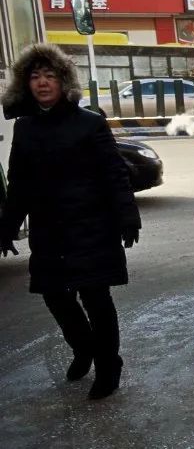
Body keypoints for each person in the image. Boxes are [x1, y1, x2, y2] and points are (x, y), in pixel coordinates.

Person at [0, 43, 139, 400]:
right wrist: (7, 226)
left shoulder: (90, 123)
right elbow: (19, 183)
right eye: (35, 76)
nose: (42, 83)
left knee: (96, 297)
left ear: (63, 81)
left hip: (92, 225)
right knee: (53, 294)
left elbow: (114, 174)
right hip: (49, 229)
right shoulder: (26, 128)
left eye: (50, 76)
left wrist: (127, 216)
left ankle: (109, 365)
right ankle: (84, 347)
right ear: (25, 84)